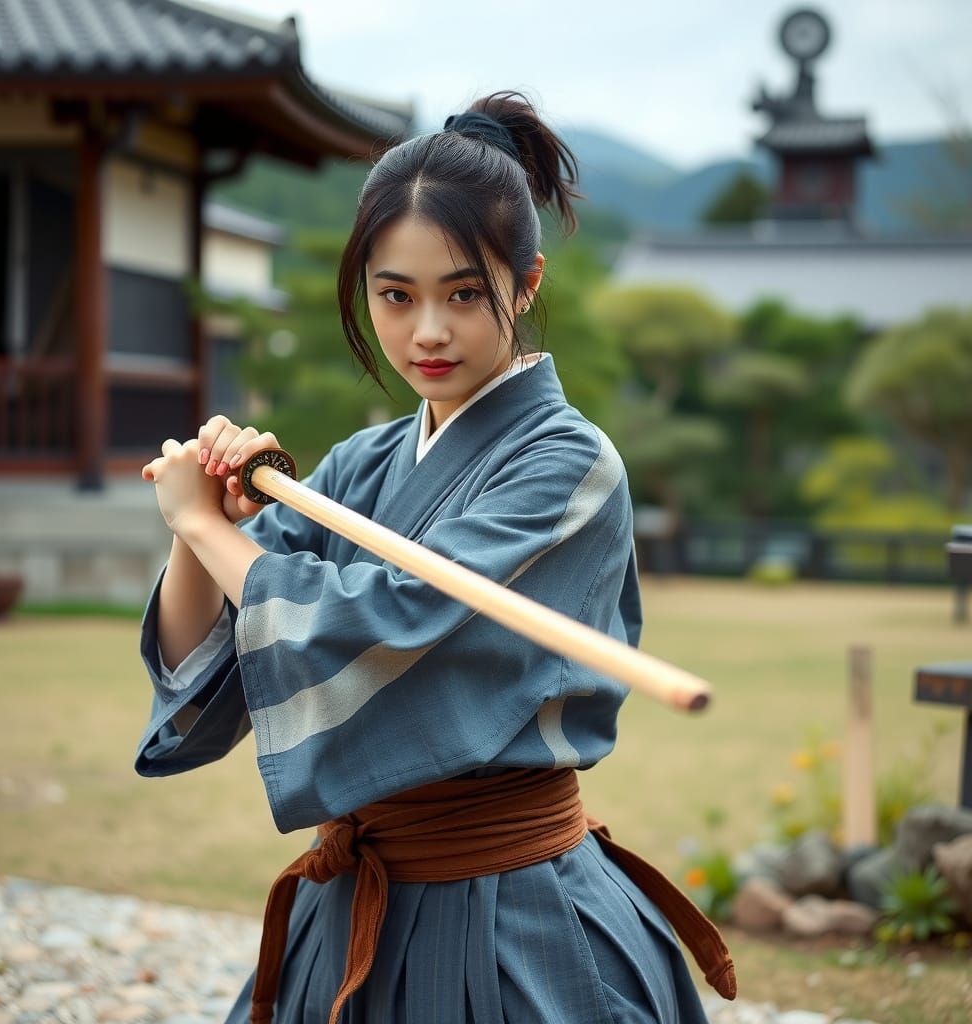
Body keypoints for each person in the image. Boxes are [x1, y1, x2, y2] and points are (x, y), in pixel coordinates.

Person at [137, 90, 734, 1024]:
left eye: (464, 292)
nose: (427, 333)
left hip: (511, 909)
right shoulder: (358, 465)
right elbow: (205, 650)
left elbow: (391, 619)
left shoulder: (570, 466)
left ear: (527, 282)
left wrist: (217, 538)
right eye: (395, 295)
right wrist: (197, 521)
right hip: (351, 908)